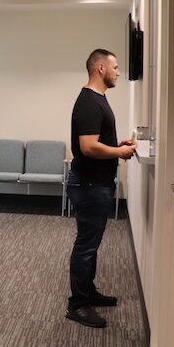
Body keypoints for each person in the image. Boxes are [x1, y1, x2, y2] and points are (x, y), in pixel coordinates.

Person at [65, 49, 137, 328]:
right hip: (89, 185)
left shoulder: (98, 100)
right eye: (115, 67)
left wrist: (117, 146)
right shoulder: (89, 103)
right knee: (85, 245)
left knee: (91, 244)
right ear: (99, 68)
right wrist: (119, 154)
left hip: (97, 184)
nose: (118, 72)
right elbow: (88, 147)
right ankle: (77, 305)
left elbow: (98, 141)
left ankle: (88, 292)